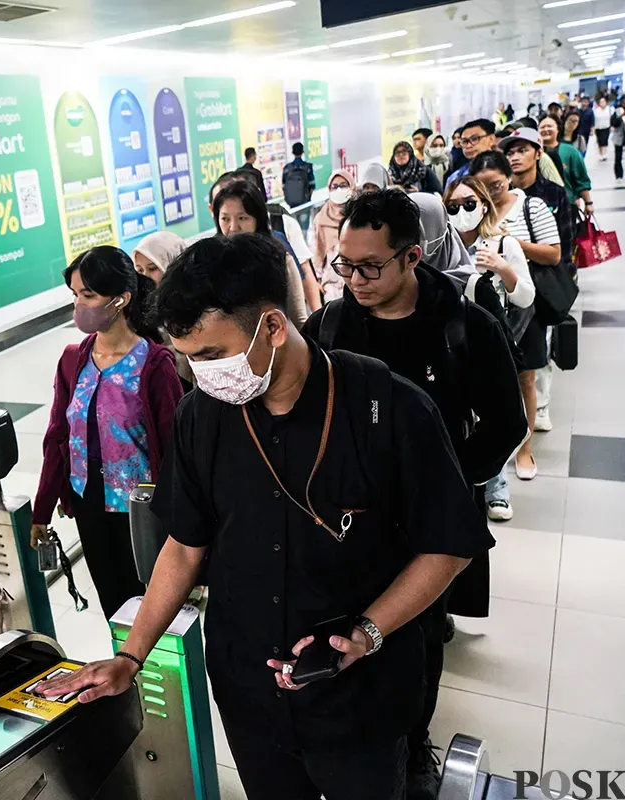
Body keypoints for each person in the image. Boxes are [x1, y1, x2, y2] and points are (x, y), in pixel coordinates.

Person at [38, 232, 495, 800]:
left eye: (210, 355)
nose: (201, 373)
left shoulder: (389, 407)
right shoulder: (200, 418)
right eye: (187, 357)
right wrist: (130, 656)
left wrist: (366, 631)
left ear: (274, 328)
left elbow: (448, 546)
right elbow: (183, 547)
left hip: (359, 691)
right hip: (249, 687)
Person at [304, 191, 525, 797]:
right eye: (345, 265)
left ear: (413, 256)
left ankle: (415, 740)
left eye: (370, 266)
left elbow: (507, 424)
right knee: (349, 625)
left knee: (421, 632)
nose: (355, 279)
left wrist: (451, 489)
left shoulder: (464, 326)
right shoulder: (328, 327)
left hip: (427, 526)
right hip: (348, 517)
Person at [31, 247, 183, 620]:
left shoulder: (154, 364)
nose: (79, 305)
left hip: (142, 511)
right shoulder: (73, 360)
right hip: (89, 504)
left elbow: (178, 448)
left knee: (152, 611)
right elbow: (57, 439)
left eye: (88, 295)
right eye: (75, 295)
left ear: (121, 299)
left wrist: (184, 522)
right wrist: (42, 511)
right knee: (114, 607)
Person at [443, 176, 537, 521]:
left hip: (492, 339)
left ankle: (497, 490)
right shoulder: (440, 246)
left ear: (483, 204)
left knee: (494, 413)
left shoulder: (503, 244)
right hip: (451, 345)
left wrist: (502, 269)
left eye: (469, 204)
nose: (462, 212)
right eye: (453, 207)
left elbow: (526, 296)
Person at [474, 146, 567, 478]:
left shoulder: (532, 206)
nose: (490, 192)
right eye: (483, 186)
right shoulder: (472, 211)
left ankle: (525, 449)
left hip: (524, 309)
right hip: (487, 312)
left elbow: (554, 254)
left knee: (525, 378)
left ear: (508, 178)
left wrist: (511, 243)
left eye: (496, 184)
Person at [213, 179, 314, 321]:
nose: (234, 227)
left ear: (258, 219)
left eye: (242, 218)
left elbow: (298, 319)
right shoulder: (211, 263)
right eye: (225, 219)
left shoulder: (279, 260)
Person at [133, 231, 193, 389]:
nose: (145, 277)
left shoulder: (195, 306)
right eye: (139, 271)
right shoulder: (138, 307)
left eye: (152, 268)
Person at [309, 169, 353, 303]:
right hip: (331, 285)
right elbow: (315, 252)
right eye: (334, 186)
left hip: (357, 281)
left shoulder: (359, 216)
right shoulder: (321, 219)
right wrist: (316, 281)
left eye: (343, 185)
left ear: (351, 186)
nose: (339, 190)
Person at [539, 115, 594, 213]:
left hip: (567, 205)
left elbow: (581, 179)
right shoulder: (534, 153)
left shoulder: (570, 151)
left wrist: (588, 203)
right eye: (542, 127)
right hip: (541, 208)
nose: (546, 129)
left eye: (549, 126)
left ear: (558, 129)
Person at [446, 118, 497, 185]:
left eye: (475, 139)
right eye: (464, 141)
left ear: (491, 139)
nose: (468, 146)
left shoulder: (508, 167)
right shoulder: (455, 178)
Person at [282, 142, 316, 208]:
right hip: (305, 202)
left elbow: (284, 186)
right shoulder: (308, 167)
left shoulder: (287, 168)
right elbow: (312, 186)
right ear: (303, 152)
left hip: (292, 203)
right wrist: (308, 198)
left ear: (292, 152)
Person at [592, 95, 613, 161]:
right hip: (598, 127)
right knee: (599, 141)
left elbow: (612, 118)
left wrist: (612, 126)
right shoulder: (596, 110)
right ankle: (600, 154)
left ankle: (604, 154)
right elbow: (594, 119)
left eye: (603, 101)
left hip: (606, 127)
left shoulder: (610, 109)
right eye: (601, 102)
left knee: (604, 140)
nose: (602, 103)